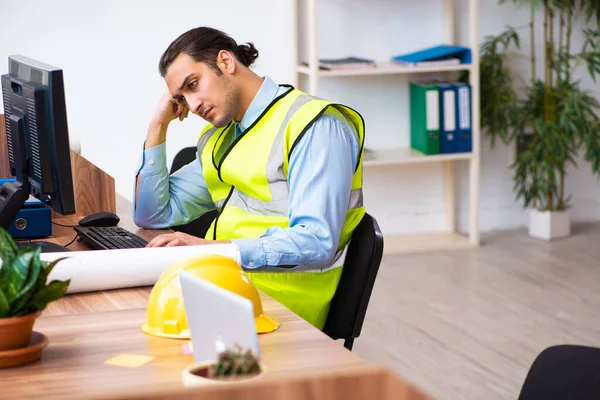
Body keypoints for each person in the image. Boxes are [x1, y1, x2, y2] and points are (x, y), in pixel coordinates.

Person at [133, 26, 366, 329]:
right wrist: (158, 124)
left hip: (282, 308)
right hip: (226, 286)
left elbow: (316, 242)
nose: (192, 106)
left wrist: (214, 249)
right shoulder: (220, 138)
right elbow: (152, 213)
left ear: (226, 62)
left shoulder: (314, 126)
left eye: (193, 84)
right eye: (181, 97)